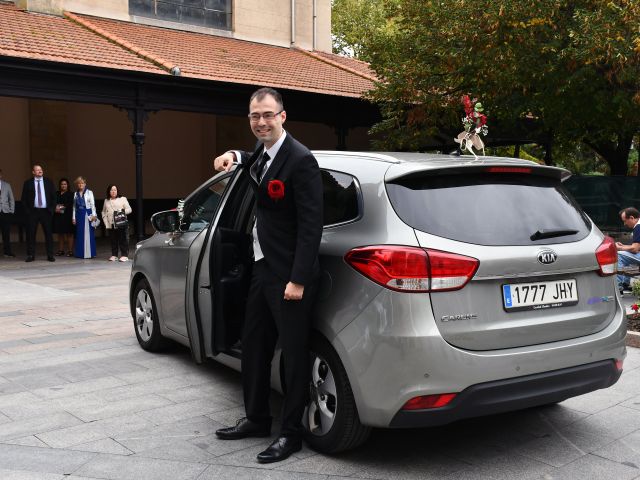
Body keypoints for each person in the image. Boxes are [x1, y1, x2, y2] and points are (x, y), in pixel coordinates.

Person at [213, 87, 323, 464]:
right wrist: (233, 154)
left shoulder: (301, 160)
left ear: (283, 116)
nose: (261, 122)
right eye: (255, 116)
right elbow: (253, 158)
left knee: (293, 357)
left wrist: (299, 280)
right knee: (254, 345)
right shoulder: (262, 151)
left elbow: (312, 227)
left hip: (290, 276)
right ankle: (257, 419)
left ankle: (291, 434)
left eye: (268, 115)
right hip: (262, 268)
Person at [21, 164, 56, 262]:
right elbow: (23, 199)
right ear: (33, 172)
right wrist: (28, 211)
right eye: (37, 170)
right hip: (33, 212)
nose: (40, 171)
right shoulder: (27, 183)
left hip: (46, 212)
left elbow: (54, 197)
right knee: (31, 234)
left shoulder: (49, 182)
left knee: (48, 234)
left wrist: (51, 210)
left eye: (41, 169)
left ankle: (50, 255)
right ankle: (31, 255)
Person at [101, 184, 132, 262]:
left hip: (121, 222)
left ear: (117, 191)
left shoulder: (122, 199)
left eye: (115, 190)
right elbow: (103, 212)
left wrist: (121, 211)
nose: (113, 191)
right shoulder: (106, 200)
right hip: (111, 223)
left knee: (123, 239)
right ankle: (114, 255)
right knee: (113, 240)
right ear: (109, 191)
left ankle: (124, 255)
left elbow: (129, 209)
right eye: (111, 190)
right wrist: (105, 221)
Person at [72, 176, 97, 259]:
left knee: (89, 234)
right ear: (77, 185)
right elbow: (74, 207)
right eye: (79, 183)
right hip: (79, 214)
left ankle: (90, 253)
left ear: (85, 184)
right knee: (79, 234)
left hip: (88, 214)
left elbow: (93, 205)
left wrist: (94, 215)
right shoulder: (75, 194)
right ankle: (80, 253)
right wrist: (73, 217)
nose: (80, 185)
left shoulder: (90, 192)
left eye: (82, 183)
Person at [617, 207, 640, 295]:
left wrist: (620, 248)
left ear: (632, 218)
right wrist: (624, 246)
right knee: (626, 255)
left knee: (619, 254)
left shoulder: (638, 227)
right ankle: (626, 283)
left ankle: (619, 288)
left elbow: (635, 249)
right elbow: (637, 247)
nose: (624, 224)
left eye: (625, 220)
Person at [53, 178, 74, 257]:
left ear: (68, 185)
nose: (63, 185)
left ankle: (70, 251)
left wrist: (58, 208)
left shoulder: (71, 194)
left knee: (69, 234)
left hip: (68, 216)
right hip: (58, 217)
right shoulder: (56, 193)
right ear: (60, 185)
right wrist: (55, 208)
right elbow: (53, 202)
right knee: (60, 234)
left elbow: (69, 205)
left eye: (65, 184)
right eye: (62, 184)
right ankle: (61, 250)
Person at [0, 169, 16, 257]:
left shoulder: (7, 185)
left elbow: (11, 199)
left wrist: (11, 211)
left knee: (6, 233)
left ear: (1, 175)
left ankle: (7, 251)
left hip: (5, 212)